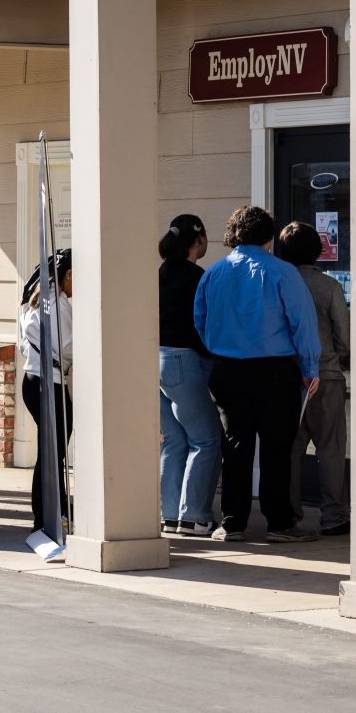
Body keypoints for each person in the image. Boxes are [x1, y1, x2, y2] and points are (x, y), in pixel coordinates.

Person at [194, 206, 320, 544]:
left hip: (227, 368)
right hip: (275, 370)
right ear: (268, 238)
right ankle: (279, 523)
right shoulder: (282, 272)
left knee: (234, 446)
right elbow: (302, 322)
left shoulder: (214, 273)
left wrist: (222, 347)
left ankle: (232, 522)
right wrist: (310, 367)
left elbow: (201, 321)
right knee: (277, 448)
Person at [276, 221, 351, 537]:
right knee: (330, 449)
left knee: (290, 450)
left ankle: (289, 514)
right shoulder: (329, 287)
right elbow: (344, 337)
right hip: (327, 375)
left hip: (287, 377)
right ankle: (333, 515)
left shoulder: (277, 283)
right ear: (319, 251)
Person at [157, 215, 221, 537]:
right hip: (182, 362)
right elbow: (201, 325)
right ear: (199, 239)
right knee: (207, 440)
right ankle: (195, 517)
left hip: (154, 361)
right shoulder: (198, 277)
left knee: (174, 441)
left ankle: (170, 515)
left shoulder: (160, 274)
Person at [19, 248, 72, 535]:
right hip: (48, 383)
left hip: (34, 379)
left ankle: (55, 510)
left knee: (51, 453)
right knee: (53, 454)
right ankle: (47, 516)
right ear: (68, 275)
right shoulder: (58, 304)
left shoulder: (36, 302)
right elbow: (69, 346)